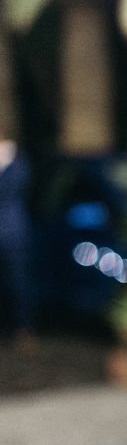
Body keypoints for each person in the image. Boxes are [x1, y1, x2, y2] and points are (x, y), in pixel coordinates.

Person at [0, 129, 38, 351]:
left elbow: (15, 189)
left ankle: (24, 327)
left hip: (13, 231)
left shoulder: (18, 162)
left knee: (19, 281)